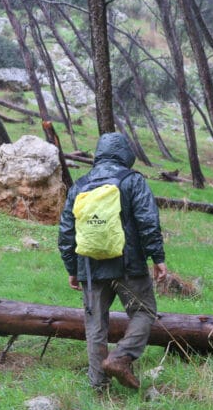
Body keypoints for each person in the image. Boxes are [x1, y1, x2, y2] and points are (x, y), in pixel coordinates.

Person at [58, 132, 167, 390]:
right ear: (125, 153)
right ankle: (120, 357)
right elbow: (147, 220)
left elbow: (65, 232)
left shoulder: (80, 185)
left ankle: (98, 385)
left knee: (95, 326)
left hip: (89, 267)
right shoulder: (132, 181)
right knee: (144, 311)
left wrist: (72, 268)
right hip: (128, 266)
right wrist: (157, 257)